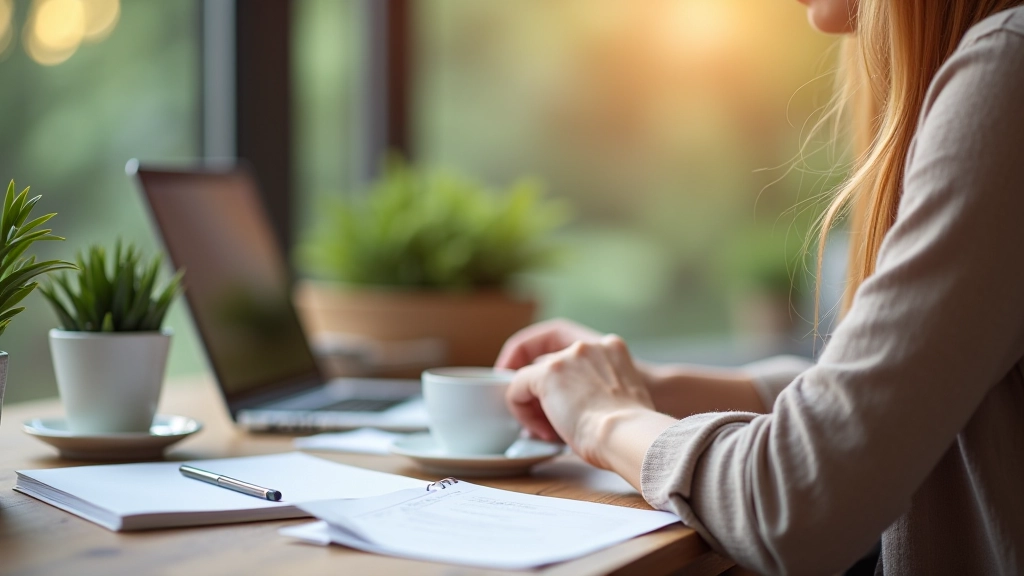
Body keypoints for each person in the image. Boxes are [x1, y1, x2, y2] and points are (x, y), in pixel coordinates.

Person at [495, 0, 1024, 574]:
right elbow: (910, 400)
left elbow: (798, 500)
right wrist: (651, 385)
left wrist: (605, 418)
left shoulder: (1009, 71)